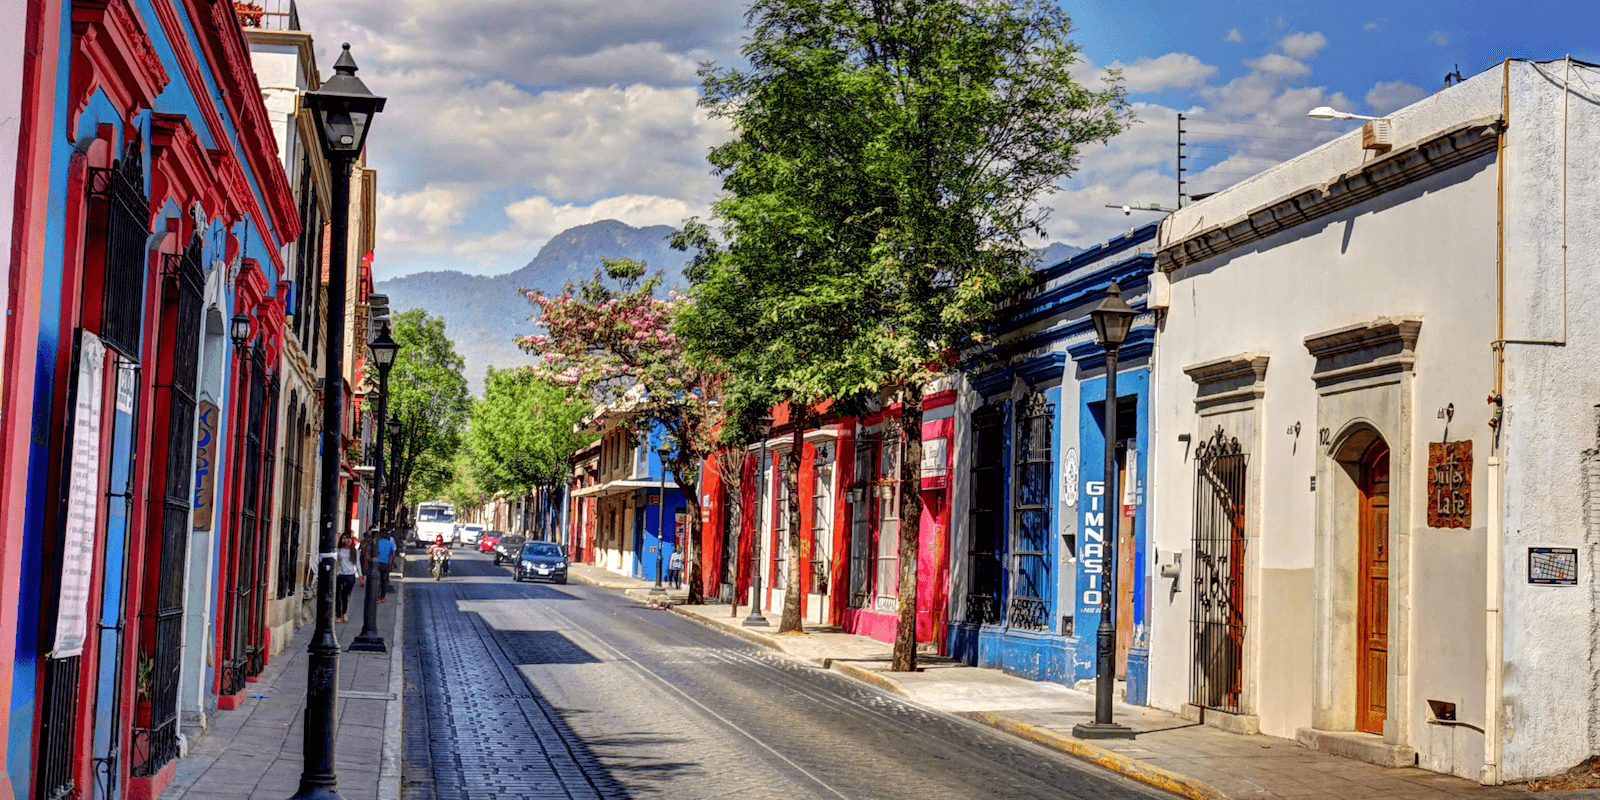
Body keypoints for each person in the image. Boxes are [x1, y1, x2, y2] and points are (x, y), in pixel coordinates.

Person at [335, 533, 359, 623]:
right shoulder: (339, 550)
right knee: (338, 595)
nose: (347, 540)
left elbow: (357, 563)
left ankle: (344, 613)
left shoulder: (354, 551)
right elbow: (336, 562)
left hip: (350, 575)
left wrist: (361, 575)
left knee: (345, 595)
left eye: (349, 538)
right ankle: (338, 614)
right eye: (345, 538)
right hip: (340, 574)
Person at [375, 531, 397, 601]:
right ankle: (382, 596)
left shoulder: (377, 543)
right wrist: (392, 565)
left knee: (377, 580)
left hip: (377, 564)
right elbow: (393, 556)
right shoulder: (390, 544)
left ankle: (377, 596)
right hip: (386, 564)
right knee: (384, 580)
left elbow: (370, 552)